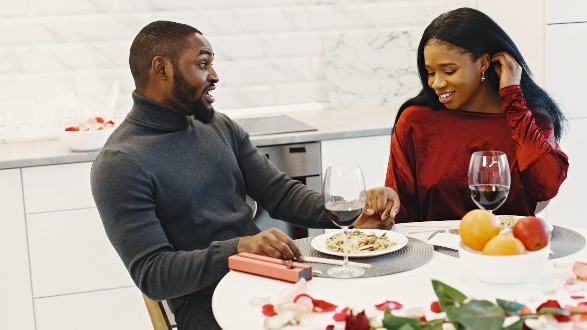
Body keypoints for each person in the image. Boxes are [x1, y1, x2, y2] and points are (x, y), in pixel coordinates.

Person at [90, 20, 400, 329]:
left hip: (271, 279)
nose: (214, 76)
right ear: (162, 69)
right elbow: (154, 275)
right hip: (207, 307)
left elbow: (281, 195)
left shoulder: (218, 126)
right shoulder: (120, 163)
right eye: (202, 64)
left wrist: (352, 211)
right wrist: (239, 247)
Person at [385, 7, 569, 222]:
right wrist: (382, 205)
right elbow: (401, 212)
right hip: (434, 253)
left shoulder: (528, 119)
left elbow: (545, 187)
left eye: (449, 70)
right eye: (430, 72)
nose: (436, 83)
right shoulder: (416, 121)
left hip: (509, 250)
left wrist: (512, 98)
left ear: (483, 63)